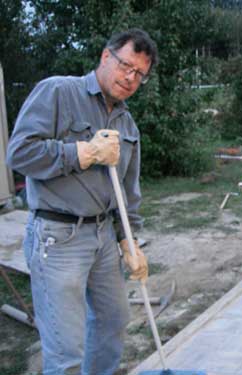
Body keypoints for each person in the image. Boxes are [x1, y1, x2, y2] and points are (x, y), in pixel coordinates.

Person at [7, 28, 157, 374]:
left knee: (112, 324)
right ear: (106, 57)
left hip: (104, 237)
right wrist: (84, 152)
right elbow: (19, 153)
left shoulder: (127, 122)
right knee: (66, 350)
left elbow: (128, 192)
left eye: (139, 75)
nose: (130, 78)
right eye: (126, 66)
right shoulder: (59, 91)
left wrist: (129, 240)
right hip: (58, 239)